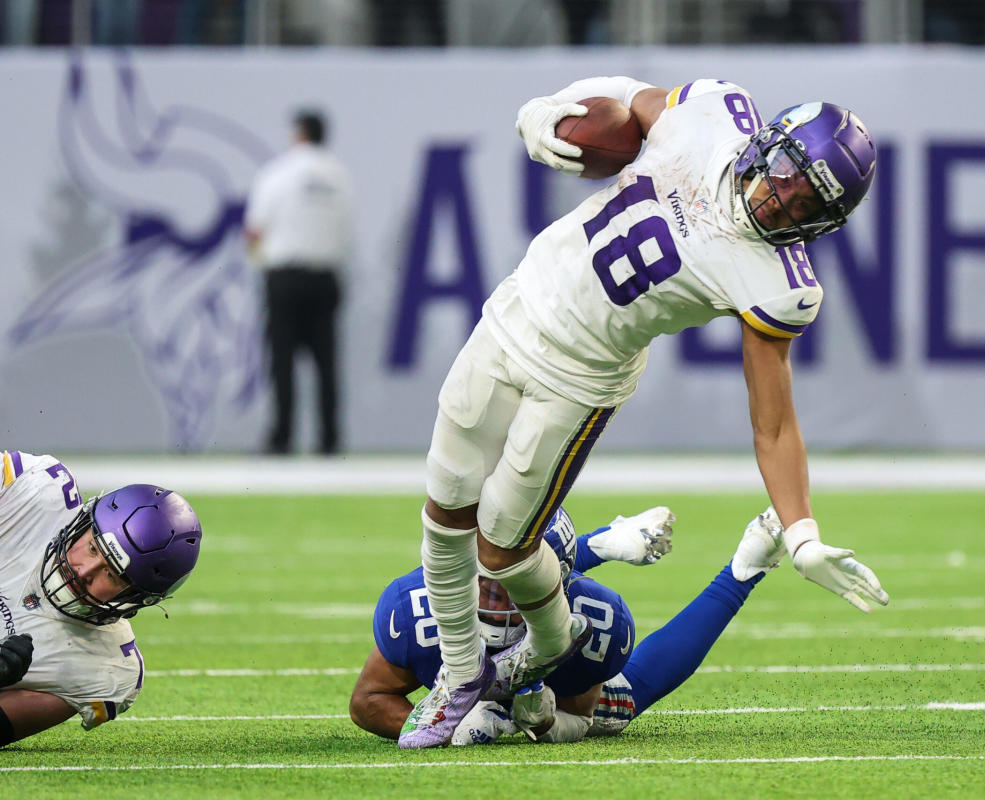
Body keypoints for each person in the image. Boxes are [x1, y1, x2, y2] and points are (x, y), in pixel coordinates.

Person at [403, 76, 884, 748]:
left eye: (806, 204)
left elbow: (773, 422)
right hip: (517, 309)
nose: (781, 200)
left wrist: (801, 534)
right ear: (767, 144)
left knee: (504, 546)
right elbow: (629, 97)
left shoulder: (779, 283)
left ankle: (549, 643)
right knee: (444, 506)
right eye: (785, 175)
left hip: (580, 375)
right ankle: (460, 677)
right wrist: (547, 111)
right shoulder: (715, 116)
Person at [356, 506, 886, 745]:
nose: (495, 596)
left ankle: (740, 571)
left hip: (548, 668)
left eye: (511, 584)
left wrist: (543, 722)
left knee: (623, 701)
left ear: (563, 580)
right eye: (482, 579)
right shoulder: (415, 607)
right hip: (484, 650)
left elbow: (580, 715)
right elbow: (368, 701)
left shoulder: (595, 622)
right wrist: (444, 726)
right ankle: (602, 543)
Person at [0, 450, 203, 746]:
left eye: (112, 575)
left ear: (137, 599)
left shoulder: (110, 671)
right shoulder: (36, 490)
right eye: (94, 549)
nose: (85, 571)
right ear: (84, 521)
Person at [244, 109, 355, 455]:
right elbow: (347, 230)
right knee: (326, 364)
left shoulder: (279, 172)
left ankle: (282, 437)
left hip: (285, 278)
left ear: (300, 134)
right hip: (325, 276)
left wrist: (261, 263)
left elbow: (255, 230)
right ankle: (330, 439)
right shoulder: (340, 177)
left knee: (282, 362)